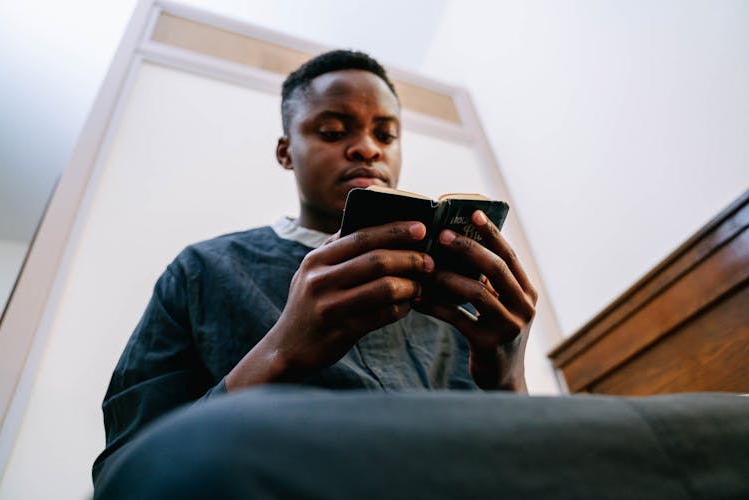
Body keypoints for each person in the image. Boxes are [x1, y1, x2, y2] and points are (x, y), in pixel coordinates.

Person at [92, 49, 537, 489]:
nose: (367, 148)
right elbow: (125, 475)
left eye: (385, 135)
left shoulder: (449, 292)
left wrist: (509, 383)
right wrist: (281, 351)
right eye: (331, 130)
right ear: (286, 152)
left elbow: (509, 476)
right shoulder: (200, 271)